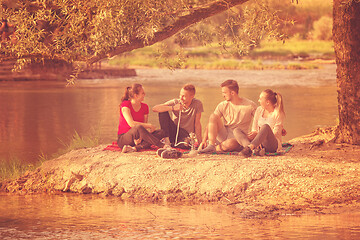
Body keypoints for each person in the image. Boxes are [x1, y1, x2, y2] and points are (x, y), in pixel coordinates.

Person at [198, 79, 257, 153]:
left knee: (230, 143)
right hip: (224, 134)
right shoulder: (222, 105)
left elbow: (260, 120)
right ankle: (211, 146)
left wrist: (256, 132)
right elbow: (210, 123)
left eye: (224, 93)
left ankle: (216, 148)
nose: (223, 95)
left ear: (232, 93)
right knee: (213, 116)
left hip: (238, 138)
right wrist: (203, 141)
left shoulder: (249, 105)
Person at [117, 83, 166, 153]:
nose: (144, 95)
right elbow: (132, 124)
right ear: (136, 96)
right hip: (124, 138)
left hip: (138, 138)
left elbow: (144, 127)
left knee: (161, 132)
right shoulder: (125, 105)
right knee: (138, 127)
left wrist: (140, 138)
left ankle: (135, 148)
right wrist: (150, 125)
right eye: (142, 93)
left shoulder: (145, 107)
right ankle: (163, 146)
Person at [152, 84, 203, 148]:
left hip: (186, 134)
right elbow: (155, 108)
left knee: (185, 145)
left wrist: (200, 143)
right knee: (162, 110)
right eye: (180, 95)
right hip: (174, 131)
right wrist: (173, 108)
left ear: (192, 96)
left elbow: (197, 124)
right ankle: (167, 141)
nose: (181, 98)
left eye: (184, 96)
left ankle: (173, 144)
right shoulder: (176, 102)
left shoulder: (197, 104)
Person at [240, 89, 286, 157]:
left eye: (260, 99)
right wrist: (255, 135)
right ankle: (250, 148)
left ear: (267, 102)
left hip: (272, 144)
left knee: (265, 127)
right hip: (258, 142)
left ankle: (250, 148)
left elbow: (275, 133)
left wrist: (260, 138)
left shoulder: (278, 113)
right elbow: (254, 128)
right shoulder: (259, 110)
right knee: (237, 130)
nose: (258, 101)